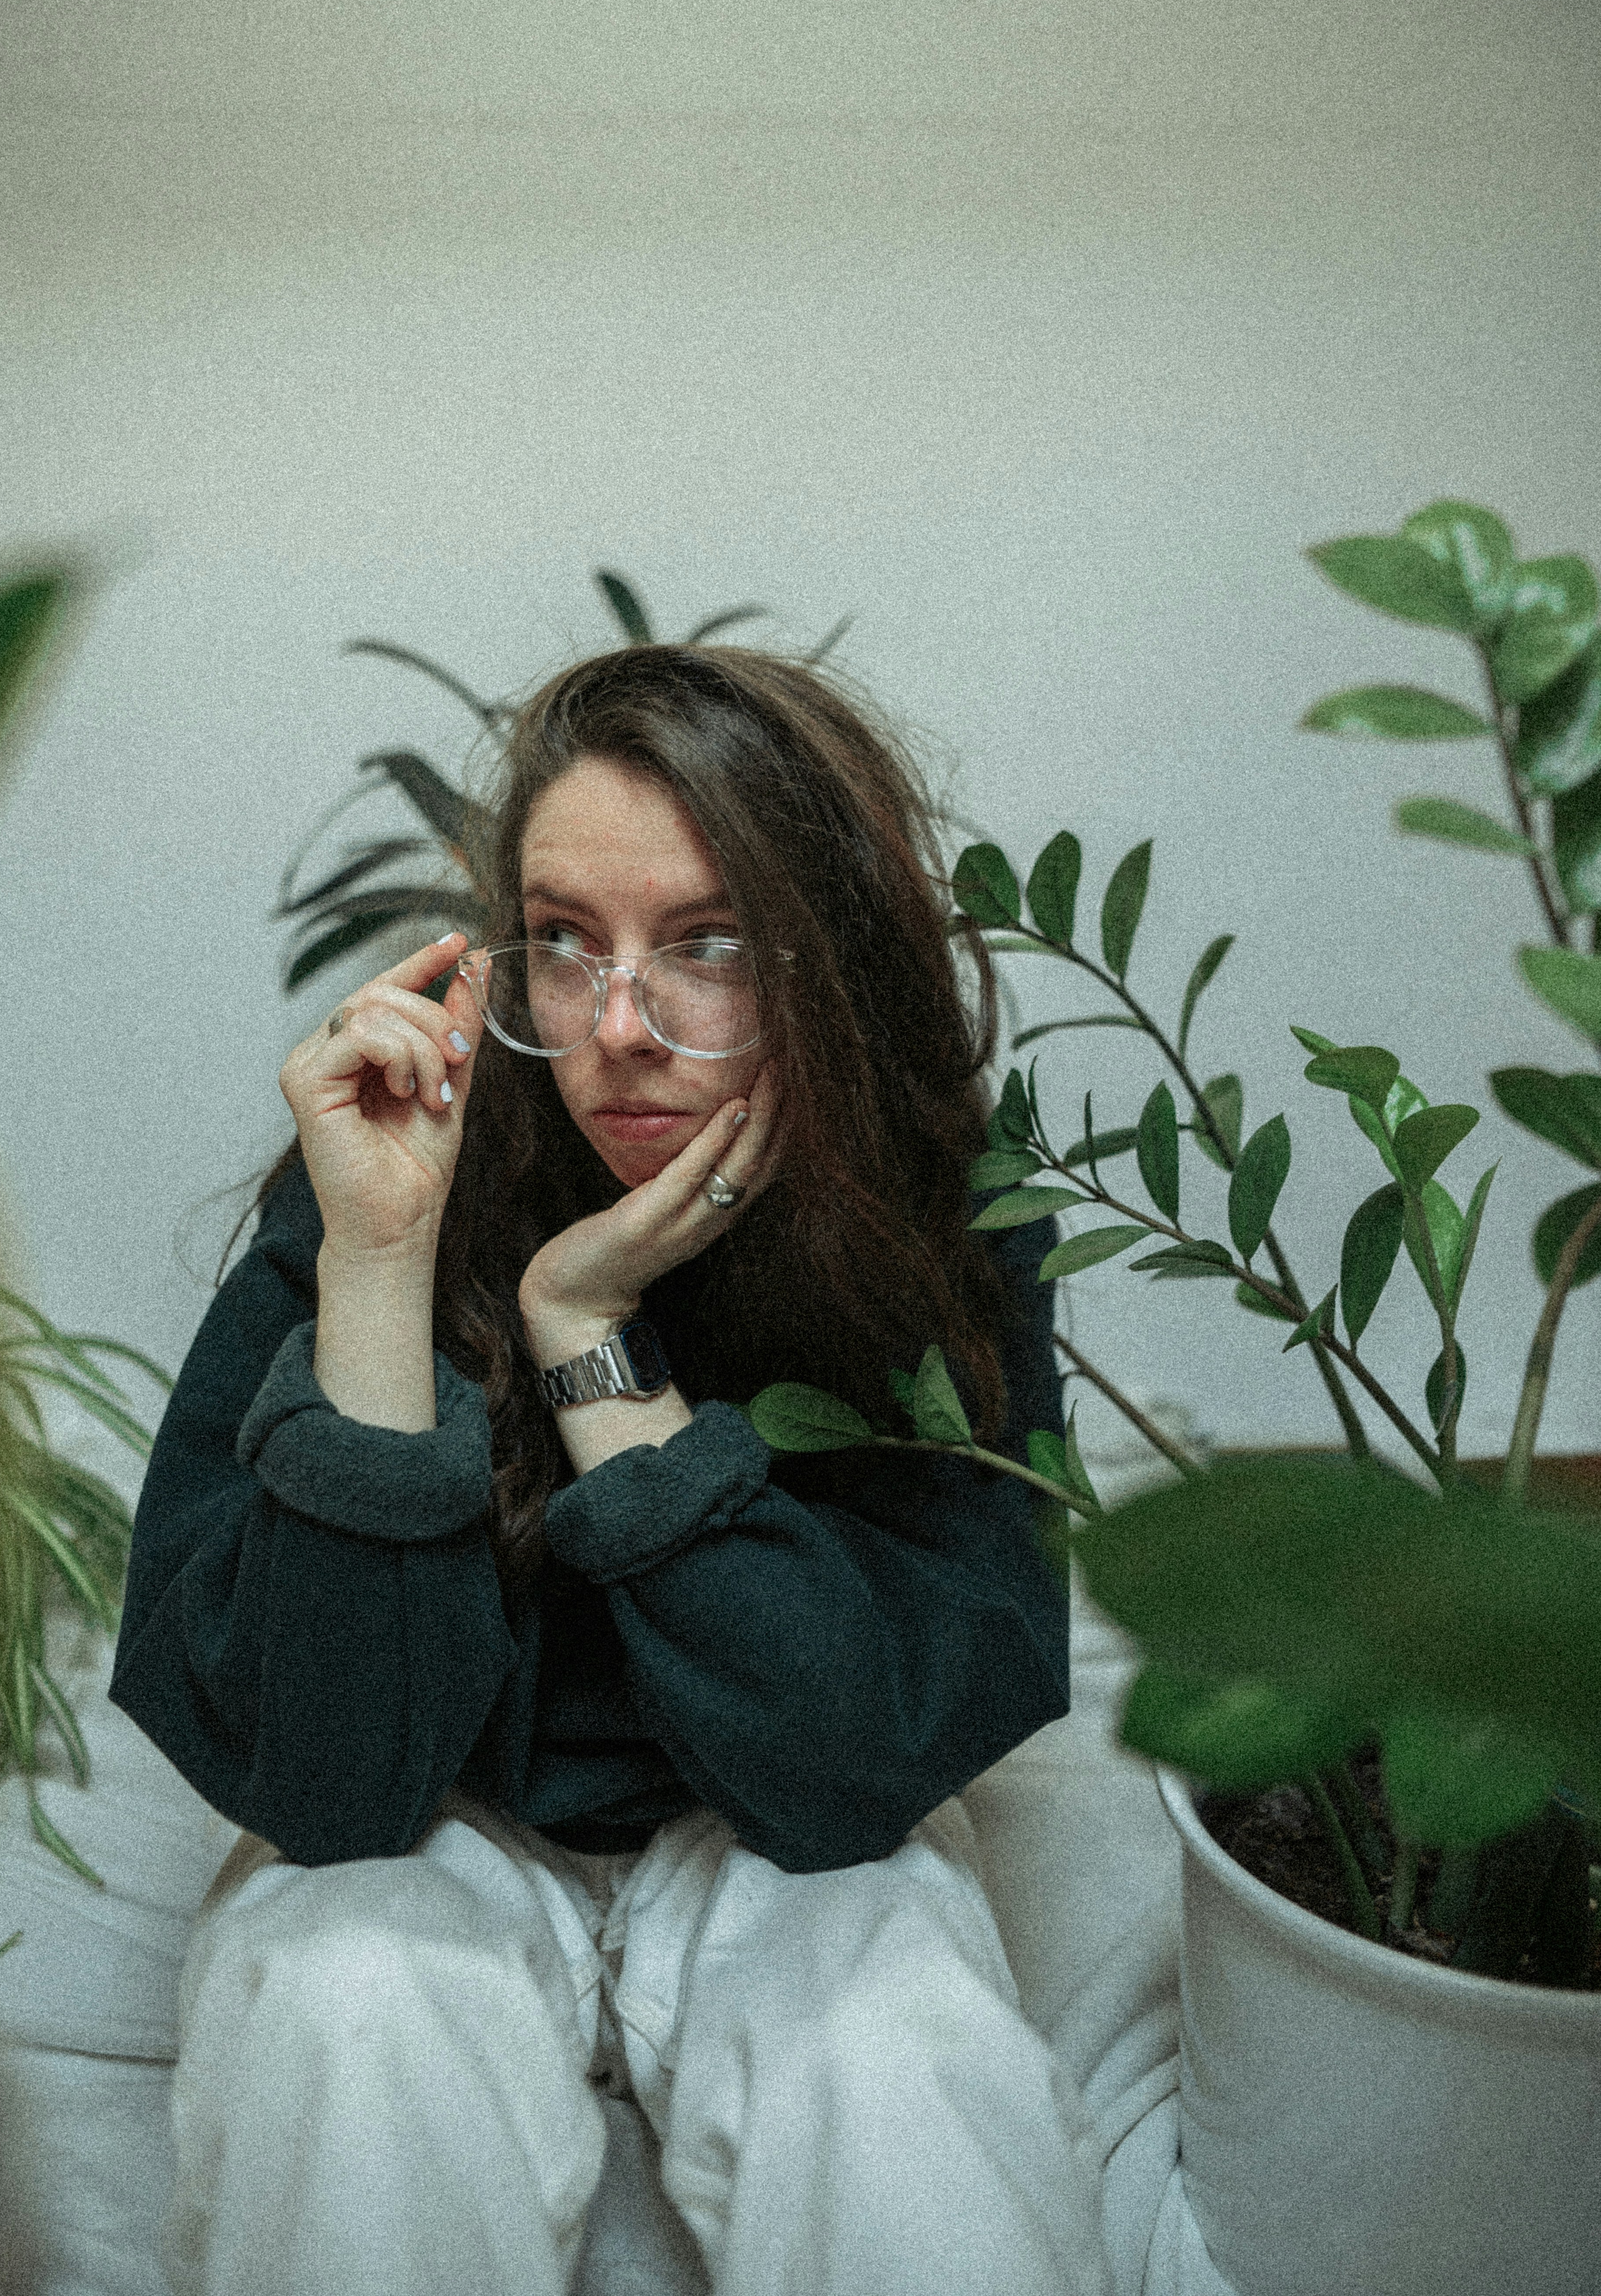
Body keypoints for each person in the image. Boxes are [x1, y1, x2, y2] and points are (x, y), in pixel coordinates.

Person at [111, 644, 1113, 2296]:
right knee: (344, 2014)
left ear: (832, 963)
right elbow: (332, 1789)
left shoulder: (940, 1208)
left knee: (903, 2064)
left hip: (777, 1838)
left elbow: (845, 1766)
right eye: (566, 944)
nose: (620, 1029)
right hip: (441, 1825)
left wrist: (586, 1330)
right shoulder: (403, 1149)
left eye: (707, 945)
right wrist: (380, 1260)